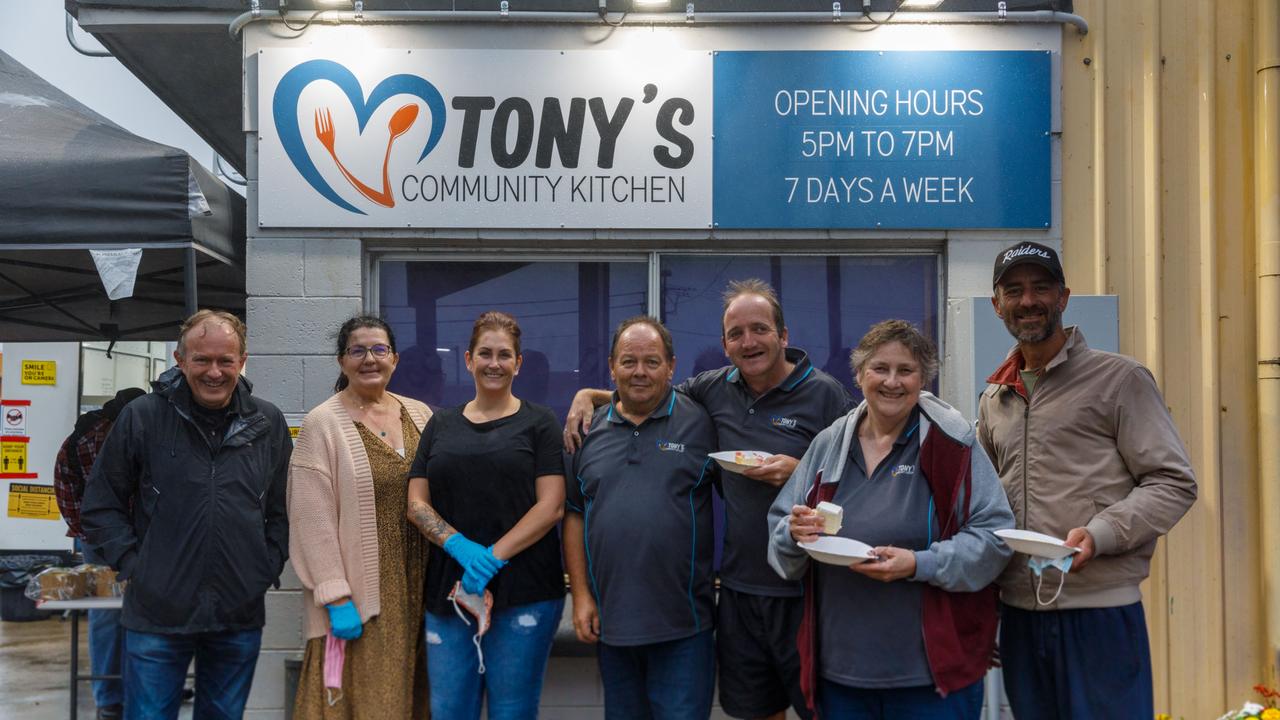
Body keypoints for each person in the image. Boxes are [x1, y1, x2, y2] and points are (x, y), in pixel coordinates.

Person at [565, 279, 852, 720]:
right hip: (738, 592)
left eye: (759, 329)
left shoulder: (826, 394)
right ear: (724, 344)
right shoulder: (711, 392)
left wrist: (799, 473)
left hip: (807, 591)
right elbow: (648, 389)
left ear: (784, 336)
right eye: (736, 334)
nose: (748, 341)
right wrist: (588, 396)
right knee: (757, 711)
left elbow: (861, 477)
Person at [977, 241, 1198, 719]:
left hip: (1100, 613)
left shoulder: (1120, 380)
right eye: (1013, 290)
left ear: (1064, 297)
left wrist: (1099, 535)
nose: (1028, 300)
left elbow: (1173, 483)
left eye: (1041, 288)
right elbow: (987, 503)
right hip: (1018, 614)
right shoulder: (994, 398)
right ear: (997, 306)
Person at [767, 319, 1014, 719]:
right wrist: (793, 533)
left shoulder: (951, 445)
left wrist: (920, 564)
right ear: (860, 374)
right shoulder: (828, 445)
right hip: (840, 678)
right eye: (880, 369)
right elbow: (780, 536)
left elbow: (995, 537)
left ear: (924, 379)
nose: (892, 382)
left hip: (931, 681)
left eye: (906, 370)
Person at [82, 309, 292, 720]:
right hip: (157, 613)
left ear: (242, 361)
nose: (214, 372)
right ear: (180, 360)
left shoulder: (266, 422)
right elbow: (101, 504)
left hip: (237, 613)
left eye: (225, 360)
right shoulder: (143, 416)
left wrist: (264, 567)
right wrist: (135, 567)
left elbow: (283, 508)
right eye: (202, 360)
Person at [405, 311, 565, 720]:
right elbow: (416, 503)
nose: (494, 363)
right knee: (449, 710)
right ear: (468, 359)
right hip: (450, 592)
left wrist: (492, 556)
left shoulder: (539, 422)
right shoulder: (439, 424)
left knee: (512, 711)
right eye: (485, 353)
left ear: (518, 362)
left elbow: (551, 506)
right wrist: (459, 547)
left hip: (525, 592)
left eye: (504, 355)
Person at [564, 316, 718, 720]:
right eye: (629, 362)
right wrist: (581, 596)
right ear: (612, 366)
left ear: (671, 366)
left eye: (652, 362)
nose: (640, 372)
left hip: (685, 627)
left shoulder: (703, 422)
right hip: (613, 627)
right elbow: (575, 516)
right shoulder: (586, 430)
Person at [287, 316, 433, 719]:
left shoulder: (420, 415)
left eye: (379, 349)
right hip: (364, 594)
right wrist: (335, 596)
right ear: (342, 361)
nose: (370, 359)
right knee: (373, 699)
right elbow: (310, 521)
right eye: (358, 350)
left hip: (422, 582)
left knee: (420, 697)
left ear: (395, 359)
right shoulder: (323, 424)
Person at [53, 386, 145, 720]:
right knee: (144, 614)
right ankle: (138, 690)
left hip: (103, 541)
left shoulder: (78, 440)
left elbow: (64, 486)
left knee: (106, 617)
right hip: (134, 539)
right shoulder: (132, 434)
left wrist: (84, 530)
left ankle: (110, 699)